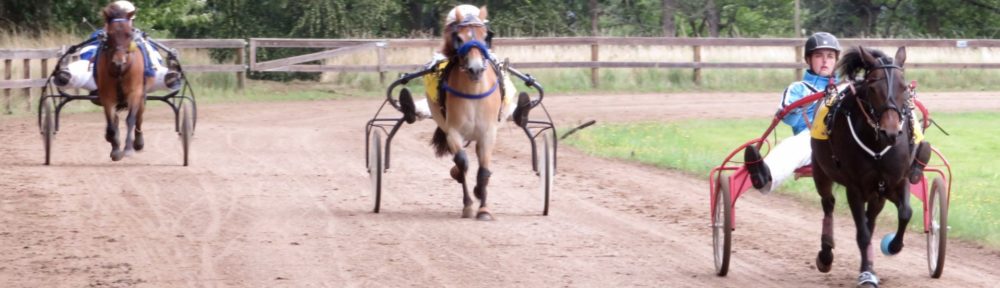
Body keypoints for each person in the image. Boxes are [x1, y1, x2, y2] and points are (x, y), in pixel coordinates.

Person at [744, 32, 931, 194]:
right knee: (795, 145)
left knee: (896, 108)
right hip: (815, 139)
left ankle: (916, 155)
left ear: (836, 60)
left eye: (830, 56)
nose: (825, 61)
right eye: (819, 56)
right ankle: (765, 176)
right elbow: (787, 116)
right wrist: (798, 108)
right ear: (809, 59)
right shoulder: (798, 88)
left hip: (850, 142)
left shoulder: (850, 85)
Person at [399, 4, 531, 127]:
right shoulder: (441, 59)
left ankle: (516, 113)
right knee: (435, 81)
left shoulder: (490, 57)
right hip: (446, 105)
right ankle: (415, 110)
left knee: (501, 73)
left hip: (488, 98)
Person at [54, 0, 181, 92]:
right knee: (84, 66)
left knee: (154, 64)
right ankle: (67, 76)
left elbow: (155, 57)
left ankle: (168, 78)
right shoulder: (98, 36)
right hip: (98, 79)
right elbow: (86, 55)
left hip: (139, 81)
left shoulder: (141, 38)